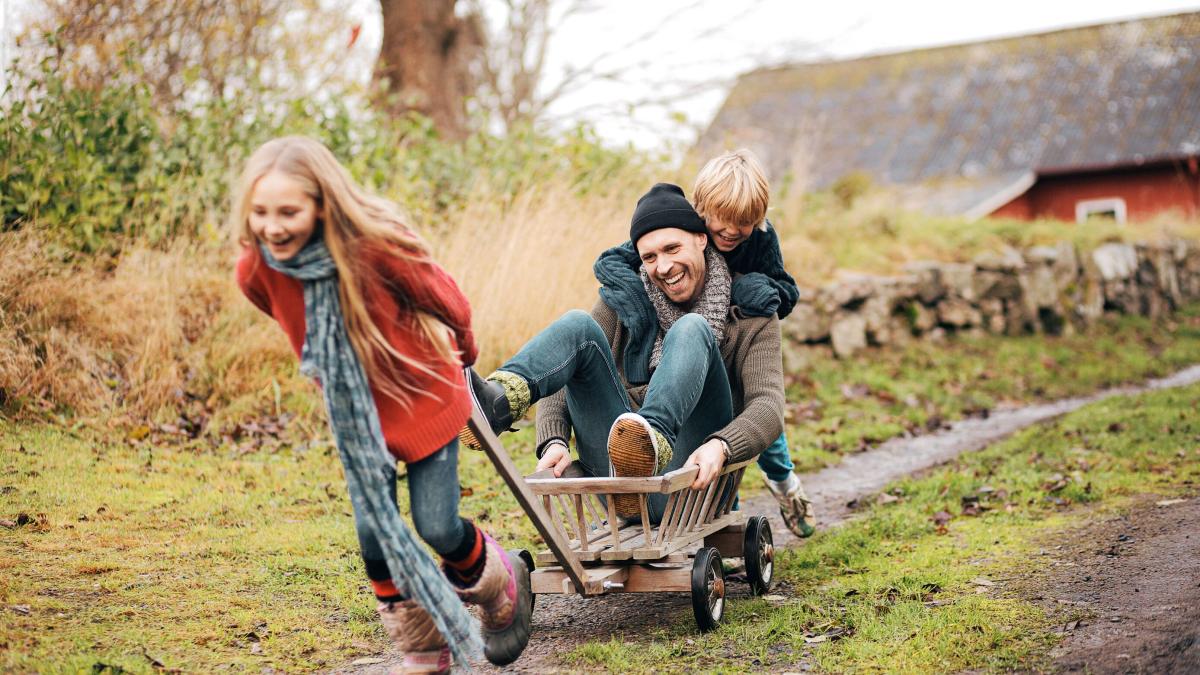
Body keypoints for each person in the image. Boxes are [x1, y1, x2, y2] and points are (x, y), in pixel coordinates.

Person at [232, 136, 529, 673]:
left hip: (425, 399)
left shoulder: (372, 249)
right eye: (260, 212)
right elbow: (290, 320)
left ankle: (499, 581)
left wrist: (465, 346)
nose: (272, 227)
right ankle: (423, 644)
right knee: (373, 534)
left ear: (322, 205)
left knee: (436, 524)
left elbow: (443, 296)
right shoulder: (257, 270)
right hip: (358, 417)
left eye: (288, 212)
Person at [461, 183, 785, 521]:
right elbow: (564, 368)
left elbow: (769, 406)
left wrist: (722, 445)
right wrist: (554, 440)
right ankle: (498, 401)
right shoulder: (624, 299)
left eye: (672, 248)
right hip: (619, 477)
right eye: (649, 257)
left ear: (701, 239)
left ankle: (653, 439)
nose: (663, 266)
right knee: (578, 326)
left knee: (691, 328)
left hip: (689, 480)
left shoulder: (752, 310)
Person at [691, 148, 816, 538]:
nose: (731, 230)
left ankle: (786, 487)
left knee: (766, 435)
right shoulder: (685, 230)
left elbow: (786, 290)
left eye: (743, 222)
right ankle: (725, 528)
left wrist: (755, 288)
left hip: (747, 356)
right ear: (701, 209)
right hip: (703, 354)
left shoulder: (762, 239)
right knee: (712, 441)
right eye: (722, 221)